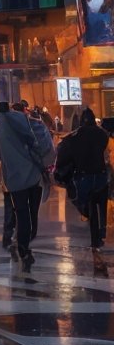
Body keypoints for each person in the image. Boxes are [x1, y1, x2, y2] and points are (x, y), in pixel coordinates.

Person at [0, 99, 47, 272]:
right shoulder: (23, 120)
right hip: (33, 176)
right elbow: (37, 142)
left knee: (21, 214)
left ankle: (23, 247)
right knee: (32, 213)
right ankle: (26, 242)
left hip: (15, 181)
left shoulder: (0, 130)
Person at [55, 107, 109, 253]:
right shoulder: (102, 134)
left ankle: (88, 216)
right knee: (101, 205)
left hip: (83, 176)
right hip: (101, 175)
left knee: (80, 201)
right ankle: (101, 231)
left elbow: (65, 155)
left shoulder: (75, 136)